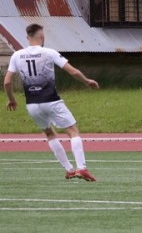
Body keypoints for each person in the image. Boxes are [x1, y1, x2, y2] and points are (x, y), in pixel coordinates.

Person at [4, 23, 100, 181]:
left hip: (32, 104)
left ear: (27, 37)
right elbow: (73, 71)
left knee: (49, 134)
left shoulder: (17, 55)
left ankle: (69, 170)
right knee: (72, 131)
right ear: (42, 37)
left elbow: (7, 82)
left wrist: (12, 99)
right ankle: (82, 168)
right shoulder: (49, 52)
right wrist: (87, 81)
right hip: (51, 100)